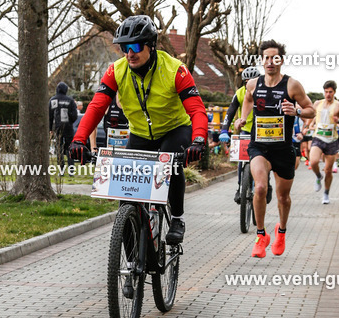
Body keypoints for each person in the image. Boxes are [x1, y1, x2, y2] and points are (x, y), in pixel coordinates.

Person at [69, 14, 208, 245]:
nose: (129, 53)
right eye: (124, 47)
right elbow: (96, 107)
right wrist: (79, 139)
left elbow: (196, 110)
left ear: (151, 45)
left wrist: (199, 140)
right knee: (126, 198)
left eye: (135, 46)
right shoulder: (116, 71)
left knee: (171, 164)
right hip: (140, 134)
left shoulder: (175, 70)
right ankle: (132, 257)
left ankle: (177, 218)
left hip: (174, 129)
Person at [237, 40, 315, 257]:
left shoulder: (292, 85)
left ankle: (281, 231)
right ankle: (261, 235)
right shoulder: (253, 84)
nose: (270, 61)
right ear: (262, 60)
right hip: (259, 146)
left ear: (281, 60)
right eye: (267, 58)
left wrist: (297, 111)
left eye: (275, 58)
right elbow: (248, 100)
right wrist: (243, 118)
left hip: (283, 149)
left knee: (283, 197)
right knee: (260, 188)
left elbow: (311, 110)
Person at [220, 65, 260, 203]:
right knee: (241, 159)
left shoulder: (264, 91)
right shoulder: (240, 93)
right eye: (247, 81)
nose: (250, 84)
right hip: (246, 130)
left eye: (253, 81)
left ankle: (266, 183)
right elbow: (230, 112)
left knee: (265, 159)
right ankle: (240, 187)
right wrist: (224, 130)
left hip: (262, 131)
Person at [308, 81, 339, 204]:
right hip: (318, 137)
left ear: (334, 92)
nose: (328, 94)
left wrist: (338, 121)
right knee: (313, 161)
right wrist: (308, 125)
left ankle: (326, 193)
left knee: (328, 170)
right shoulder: (317, 103)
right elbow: (311, 115)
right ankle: (318, 176)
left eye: (330, 92)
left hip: (331, 140)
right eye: (326, 92)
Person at [49, 82, 78, 167]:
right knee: (70, 147)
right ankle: (71, 167)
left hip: (57, 127)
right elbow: (74, 116)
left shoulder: (52, 100)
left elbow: (49, 116)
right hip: (68, 127)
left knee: (59, 147)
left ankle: (61, 167)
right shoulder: (70, 100)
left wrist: (50, 128)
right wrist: (70, 121)